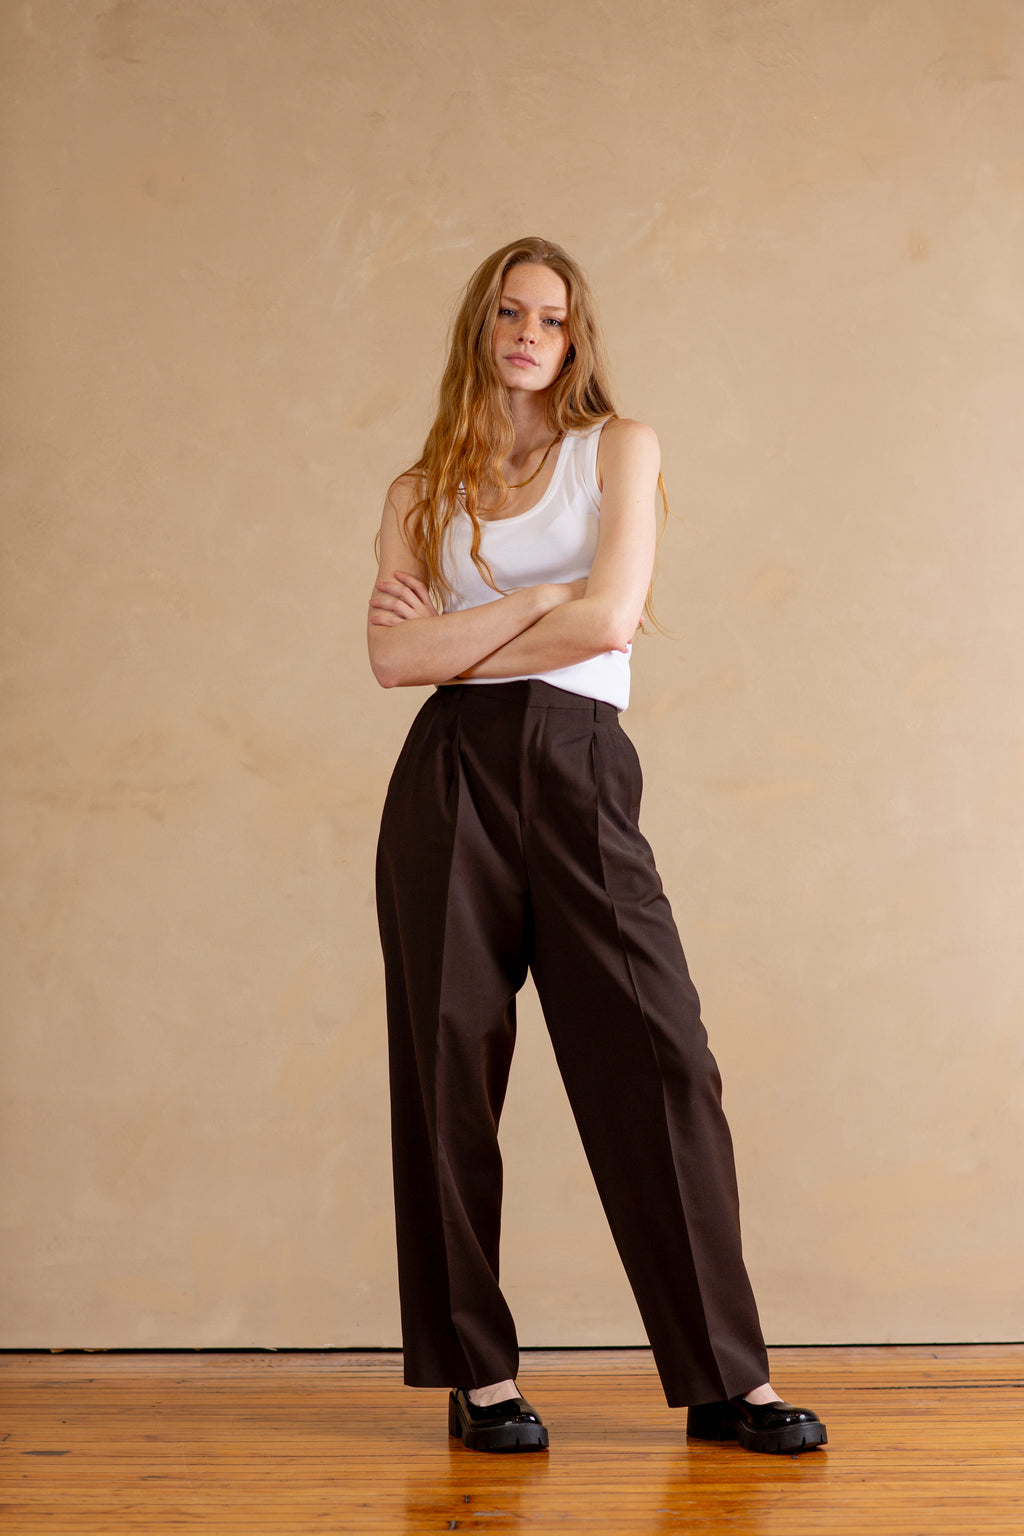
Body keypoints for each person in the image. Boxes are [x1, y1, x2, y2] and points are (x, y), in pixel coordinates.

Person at [366, 236, 827, 1456]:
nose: (529, 334)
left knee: (662, 1056)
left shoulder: (619, 449)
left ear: (575, 338)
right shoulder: (418, 493)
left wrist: (472, 625)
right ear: (479, 327)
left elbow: (610, 618)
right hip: (449, 776)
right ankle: (479, 1376)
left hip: (579, 761)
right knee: (446, 1066)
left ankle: (725, 1380)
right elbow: (393, 663)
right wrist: (535, 606)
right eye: (509, 313)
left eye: (552, 318)